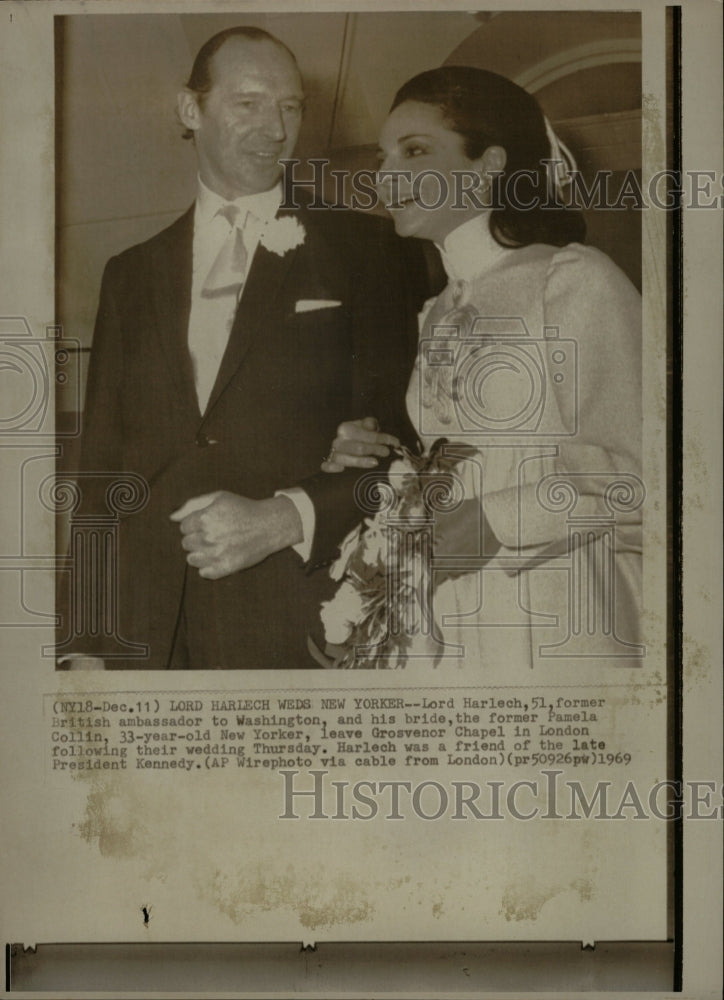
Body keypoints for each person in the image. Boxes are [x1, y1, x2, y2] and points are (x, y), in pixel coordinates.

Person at [59, 27, 427, 669]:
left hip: (295, 619)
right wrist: (85, 641)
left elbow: (402, 448)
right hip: (143, 635)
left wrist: (286, 517)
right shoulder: (131, 272)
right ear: (189, 109)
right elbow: (104, 470)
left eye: (290, 107)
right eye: (249, 102)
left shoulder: (371, 251)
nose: (276, 128)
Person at [319, 66, 644, 670]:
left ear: (489, 163)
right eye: (383, 156)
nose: (386, 176)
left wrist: (498, 521)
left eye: (415, 151)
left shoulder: (573, 279)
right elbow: (471, 459)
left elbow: (646, 476)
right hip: (455, 620)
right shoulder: (437, 309)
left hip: (563, 613)